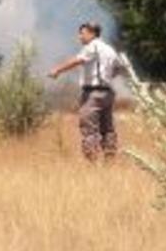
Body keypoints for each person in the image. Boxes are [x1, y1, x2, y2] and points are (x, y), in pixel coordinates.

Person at [48, 22, 122, 161]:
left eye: (82, 33)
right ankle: (110, 160)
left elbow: (77, 60)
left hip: (92, 94)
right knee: (108, 129)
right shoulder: (109, 49)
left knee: (89, 129)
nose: (79, 36)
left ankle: (92, 163)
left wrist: (57, 70)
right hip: (108, 93)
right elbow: (118, 68)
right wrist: (106, 78)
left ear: (92, 33)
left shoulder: (91, 47)